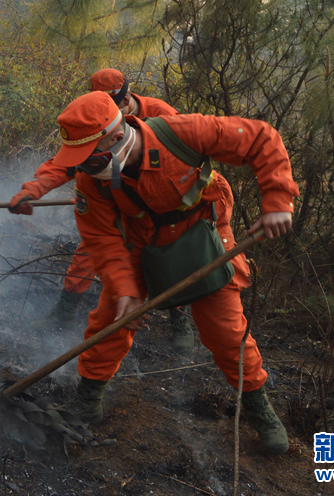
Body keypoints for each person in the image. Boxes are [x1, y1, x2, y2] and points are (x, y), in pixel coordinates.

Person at [50, 91, 298, 455]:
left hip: (200, 231)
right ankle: (88, 400)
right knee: (111, 318)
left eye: (88, 159)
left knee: (225, 330)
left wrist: (278, 200)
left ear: (116, 138)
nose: (82, 168)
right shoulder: (92, 179)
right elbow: (101, 237)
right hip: (138, 239)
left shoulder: (183, 132)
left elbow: (262, 139)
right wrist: (124, 289)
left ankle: (260, 409)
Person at [9, 69, 196, 350]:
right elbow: (69, 161)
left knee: (173, 255)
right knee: (89, 251)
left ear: (127, 96)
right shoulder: (95, 120)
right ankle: (65, 311)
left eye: (115, 104)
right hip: (114, 199)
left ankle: (179, 318)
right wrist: (35, 189)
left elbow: (185, 159)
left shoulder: (162, 113)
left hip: (161, 203)